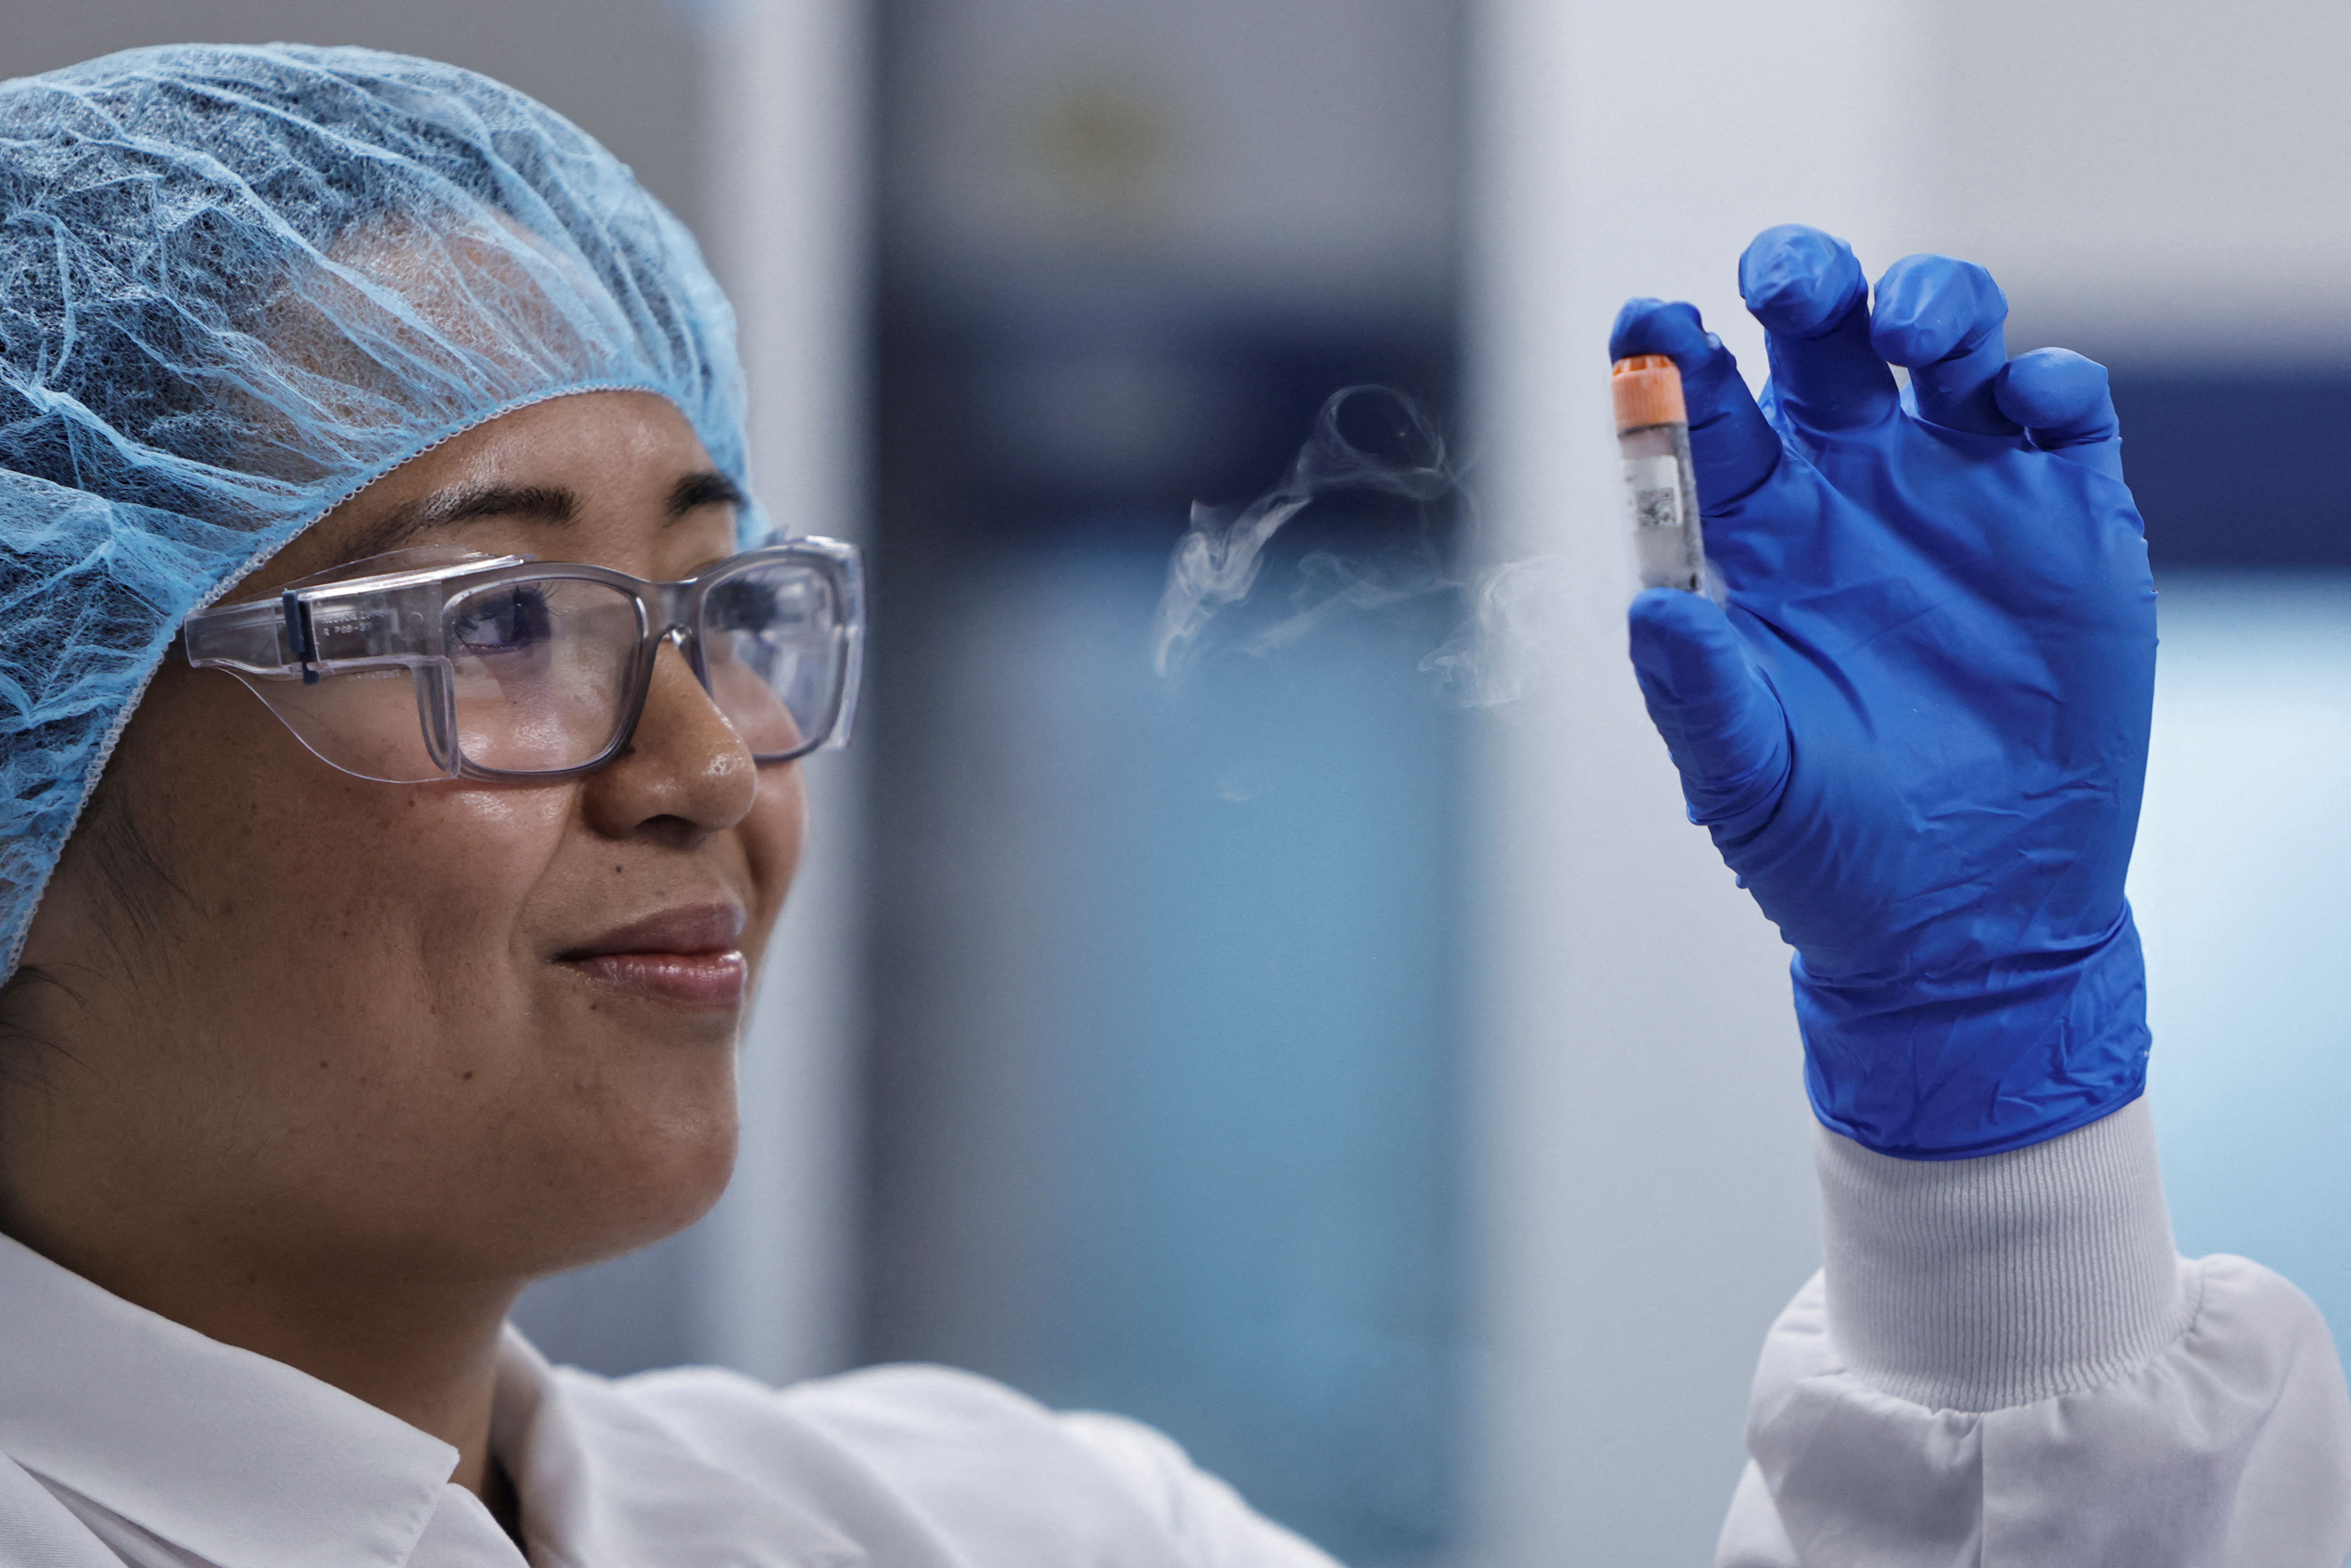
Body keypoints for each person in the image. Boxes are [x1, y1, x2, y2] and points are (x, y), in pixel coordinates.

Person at [0, 40, 2338, 1568]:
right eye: (502, 622)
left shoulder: (984, 1521)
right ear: (47, 744)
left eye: (726, 605)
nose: (708, 761)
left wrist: (1982, 1116)